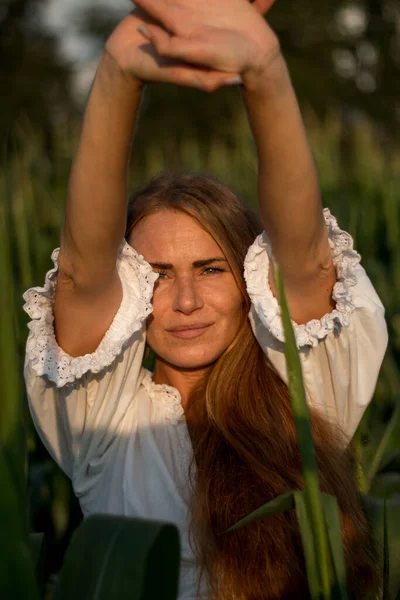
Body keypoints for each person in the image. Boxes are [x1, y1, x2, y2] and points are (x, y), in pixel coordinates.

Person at [23, 1, 388, 598]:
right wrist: (119, 70)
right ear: (131, 292)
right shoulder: (103, 422)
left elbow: (305, 254)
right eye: (159, 274)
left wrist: (265, 70)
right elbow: (83, 269)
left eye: (211, 267)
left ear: (251, 282)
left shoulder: (305, 392)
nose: (187, 300)